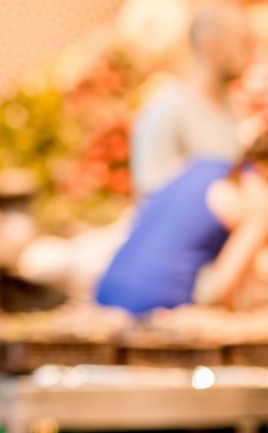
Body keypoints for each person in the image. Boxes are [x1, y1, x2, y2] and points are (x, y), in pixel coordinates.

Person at [98, 130, 268, 315]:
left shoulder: (201, 166)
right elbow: (223, 288)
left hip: (105, 293)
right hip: (155, 307)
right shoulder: (258, 203)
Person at [130, 1, 253, 196]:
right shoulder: (167, 111)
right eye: (242, 42)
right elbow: (151, 203)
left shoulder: (233, 107)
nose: (251, 53)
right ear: (211, 46)